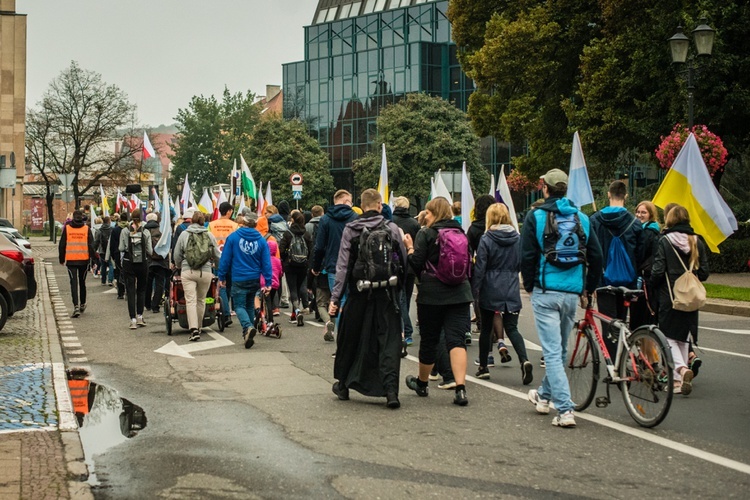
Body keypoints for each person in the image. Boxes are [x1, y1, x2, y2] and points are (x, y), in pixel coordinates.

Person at [521, 168, 602, 428]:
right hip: (571, 291)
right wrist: (587, 289)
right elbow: (597, 257)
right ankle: (543, 397)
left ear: (544, 186)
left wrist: (529, 283)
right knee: (561, 350)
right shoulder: (582, 218)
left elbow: (527, 255)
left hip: (546, 290)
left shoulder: (536, 216)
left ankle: (566, 409)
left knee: (553, 353)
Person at [329, 189, 407, 409]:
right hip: (386, 293)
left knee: (350, 337)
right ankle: (391, 391)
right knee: (389, 341)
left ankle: (343, 384)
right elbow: (401, 259)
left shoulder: (351, 229)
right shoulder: (391, 228)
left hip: (359, 292)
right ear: (380, 206)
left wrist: (336, 297)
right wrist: (399, 288)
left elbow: (343, 266)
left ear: (362, 206)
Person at [403, 196, 473, 407]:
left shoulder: (426, 233)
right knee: (456, 340)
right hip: (460, 292)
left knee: (430, 339)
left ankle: (422, 383)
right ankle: (460, 389)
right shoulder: (461, 232)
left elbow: (416, 264)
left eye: (429, 213)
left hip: (432, 294)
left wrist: (409, 248)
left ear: (433, 213)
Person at [650, 205, 709, 396]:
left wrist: (653, 283)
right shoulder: (697, 241)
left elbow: (658, 270)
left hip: (670, 295)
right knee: (683, 337)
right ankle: (677, 382)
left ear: (670, 219)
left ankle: (682, 370)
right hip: (690, 296)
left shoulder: (665, 240)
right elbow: (705, 272)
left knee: (667, 337)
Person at [472, 203, 533, 385]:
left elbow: (480, 266)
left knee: (487, 329)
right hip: (511, 286)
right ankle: (524, 360)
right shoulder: (518, 238)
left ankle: (483, 366)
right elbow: (522, 262)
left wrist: (476, 289)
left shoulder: (487, 239)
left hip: (490, 287)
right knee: (512, 328)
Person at [217, 209, 272, 349]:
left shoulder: (233, 237)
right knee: (248, 305)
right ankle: (247, 333)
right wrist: (268, 281)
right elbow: (266, 262)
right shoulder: (261, 239)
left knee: (238, 306)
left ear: (244, 222)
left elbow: (225, 259)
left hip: (238, 277)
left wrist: (221, 276)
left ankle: (248, 327)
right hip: (254, 278)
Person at [312, 190, 358, 339]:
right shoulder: (355, 218)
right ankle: (351, 338)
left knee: (337, 300)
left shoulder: (325, 219)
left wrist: (316, 266)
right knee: (350, 301)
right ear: (345, 201)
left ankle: (342, 340)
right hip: (353, 265)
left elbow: (319, 247)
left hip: (333, 266)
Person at [173, 211, 221, 341]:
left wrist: (179, 265)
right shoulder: (209, 235)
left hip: (188, 271)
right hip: (205, 271)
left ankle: (193, 329)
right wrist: (216, 267)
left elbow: (177, 254)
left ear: (192, 221)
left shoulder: (184, 234)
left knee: (191, 300)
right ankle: (199, 327)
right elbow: (217, 254)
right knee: (201, 300)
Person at [391, 196, 420, 345]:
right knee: (405, 299)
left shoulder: (391, 222)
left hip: (396, 265)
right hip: (410, 265)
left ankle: (404, 330)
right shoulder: (414, 224)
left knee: (398, 300)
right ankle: (404, 326)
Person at [119, 210, 153, 329]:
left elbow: (121, 247)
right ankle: (140, 316)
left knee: (131, 290)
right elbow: (150, 251)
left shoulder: (125, 231)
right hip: (142, 263)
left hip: (129, 262)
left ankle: (132, 319)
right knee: (142, 290)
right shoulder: (146, 231)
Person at [58, 210, 96, 318]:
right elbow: (91, 246)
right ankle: (82, 303)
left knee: (73, 283)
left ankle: (75, 306)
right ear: (82, 218)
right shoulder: (86, 229)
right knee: (82, 282)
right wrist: (93, 260)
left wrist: (61, 259)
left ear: (73, 217)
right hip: (84, 260)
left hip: (71, 260)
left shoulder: (67, 228)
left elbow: (62, 245)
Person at [279, 211, 313, 326]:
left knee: (292, 289)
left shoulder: (288, 234)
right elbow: (311, 250)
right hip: (303, 265)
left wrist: (285, 260)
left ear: (292, 220)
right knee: (298, 288)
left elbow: (281, 250)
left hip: (290, 265)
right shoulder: (306, 234)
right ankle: (294, 314)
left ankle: (297, 312)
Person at [630, 200, 661, 328]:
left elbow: (639, 254)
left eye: (643, 212)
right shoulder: (645, 230)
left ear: (650, 215)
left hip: (644, 278)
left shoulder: (648, 232)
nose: (639, 215)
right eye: (637, 212)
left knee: (641, 316)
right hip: (645, 278)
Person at [209, 202, 239, 324]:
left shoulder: (211, 225)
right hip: (232, 259)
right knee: (230, 285)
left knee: (220, 285)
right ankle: (229, 310)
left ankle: (225, 312)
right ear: (228, 212)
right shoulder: (235, 226)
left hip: (217, 259)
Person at [144, 212, 170, 314]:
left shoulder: (144, 231)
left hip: (148, 261)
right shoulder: (162, 230)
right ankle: (155, 305)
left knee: (148, 284)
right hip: (161, 262)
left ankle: (147, 304)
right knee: (160, 284)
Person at [107, 214, 128, 298]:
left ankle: (120, 292)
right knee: (128, 272)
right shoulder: (129, 229)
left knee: (119, 272)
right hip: (127, 253)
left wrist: (112, 255)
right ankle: (128, 290)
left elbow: (112, 244)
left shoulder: (115, 230)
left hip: (117, 254)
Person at [95, 216, 113, 286]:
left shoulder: (100, 230)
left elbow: (97, 241)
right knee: (111, 265)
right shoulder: (112, 229)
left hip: (102, 250)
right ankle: (110, 280)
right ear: (109, 221)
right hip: (110, 250)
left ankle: (103, 281)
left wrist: (95, 250)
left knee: (103, 265)